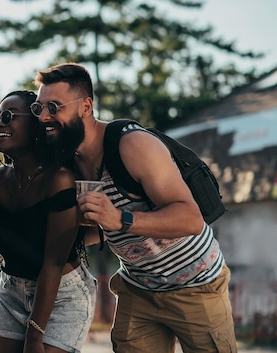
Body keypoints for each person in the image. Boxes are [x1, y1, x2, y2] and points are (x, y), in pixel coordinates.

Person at [33, 62, 237, 353]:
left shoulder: (132, 145)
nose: (44, 117)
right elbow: (99, 230)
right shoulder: (69, 162)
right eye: (38, 108)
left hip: (196, 283)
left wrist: (119, 218)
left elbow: (191, 219)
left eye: (54, 107)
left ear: (86, 107)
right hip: (138, 288)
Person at [0, 90, 97, 353]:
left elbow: (53, 263)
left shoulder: (59, 179)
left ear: (35, 125)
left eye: (8, 116)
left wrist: (34, 335)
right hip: (11, 288)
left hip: (62, 292)